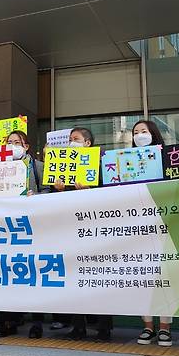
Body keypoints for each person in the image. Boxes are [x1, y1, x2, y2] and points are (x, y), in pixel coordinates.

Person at [54, 127, 113, 342]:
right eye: (70, 139)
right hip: (71, 227)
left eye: (76, 139)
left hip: (96, 227)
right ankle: (78, 326)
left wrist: (89, 190)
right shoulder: (63, 164)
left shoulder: (101, 163)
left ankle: (104, 327)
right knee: (75, 277)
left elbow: (112, 193)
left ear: (88, 143)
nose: (72, 142)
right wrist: (59, 189)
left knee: (100, 277)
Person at [0, 130, 50, 339]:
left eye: (17, 142)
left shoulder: (37, 167)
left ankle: (36, 322)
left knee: (34, 273)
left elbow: (49, 192)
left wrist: (35, 196)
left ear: (26, 146)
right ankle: (7, 320)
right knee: (5, 274)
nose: (13, 146)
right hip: (6, 229)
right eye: (9, 142)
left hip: (32, 228)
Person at [127, 120, 173, 347]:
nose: (139, 135)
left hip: (161, 220)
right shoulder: (125, 159)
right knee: (141, 274)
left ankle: (165, 327)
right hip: (136, 222)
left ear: (153, 134)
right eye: (136, 132)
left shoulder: (166, 156)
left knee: (163, 275)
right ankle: (147, 326)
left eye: (143, 131)